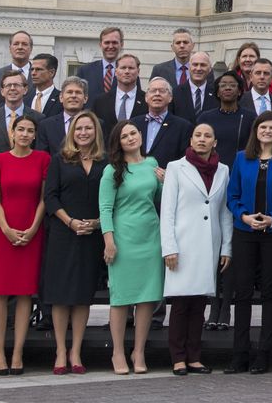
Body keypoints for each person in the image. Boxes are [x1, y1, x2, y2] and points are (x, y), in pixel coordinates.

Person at [226, 111, 272, 373]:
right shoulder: (241, 159)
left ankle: (263, 354)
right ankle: (239, 353)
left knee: (270, 292)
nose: (267, 131)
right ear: (255, 131)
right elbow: (232, 196)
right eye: (263, 127)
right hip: (244, 231)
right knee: (242, 292)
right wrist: (244, 216)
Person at [161, 122, 230, 375]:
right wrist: (169, 247)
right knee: (181, 304)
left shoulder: (223, 170)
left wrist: (227, 247)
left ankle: (194, 356)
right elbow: (167, 211)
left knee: (200, 303)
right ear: (191, 139)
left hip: (208, 245)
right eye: (198, 135)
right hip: (182, 245)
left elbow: (224, 211)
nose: (202, 139)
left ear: (215, 142)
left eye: (207, 136)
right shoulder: (176, 168)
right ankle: (178, 357)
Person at [43, 110, 105, 375]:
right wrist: (70, 222)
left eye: (88, 128)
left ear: (95, 132)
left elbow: (114, 199)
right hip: (63, 233)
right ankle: (59, 349)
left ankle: (76, 350)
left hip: (92, 236)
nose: (83, 133)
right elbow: (51, 196)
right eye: (79, 129)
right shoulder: (60, 160)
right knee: (60, 294)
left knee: (82, 296)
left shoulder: (106, 162)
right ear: (72, 132)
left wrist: (98, 222)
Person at [0, 113, 48, 374]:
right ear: (12, 132)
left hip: (32, 230)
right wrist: (7, 229)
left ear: (34, 135)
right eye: (20, 129)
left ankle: (18, 352)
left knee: (24, 294)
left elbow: (44, 198)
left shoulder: (43, 159)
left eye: (29, 130)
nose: (24, 134)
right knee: (0, 294)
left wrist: (33, 228)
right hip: (3, 233)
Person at [101, 120, 165, 374]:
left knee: (147, 298)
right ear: (118, 142)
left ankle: (138, 351)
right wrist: (109, 241)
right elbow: (105, 208)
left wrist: (165, 182)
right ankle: (117, 351)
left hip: (150, 236)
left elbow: (159, 199)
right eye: (124, 136)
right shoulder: (112, 170)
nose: (130, 138)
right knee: (121, 298)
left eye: (133, 133)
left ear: (141, 135)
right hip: (123, 237)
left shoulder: (151, 164)